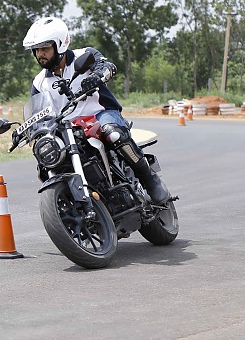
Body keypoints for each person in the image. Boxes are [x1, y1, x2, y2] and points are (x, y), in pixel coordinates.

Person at [22, 16, 170, 204]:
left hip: (100, 114)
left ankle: (149, 179)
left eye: (45, 48)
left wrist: (99, 75)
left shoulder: (84, 55)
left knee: (114, 134)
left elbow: (108, 67)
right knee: (49, 157)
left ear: (60, 44)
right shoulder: (39, 81)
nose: (39, 54)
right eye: (36, 50)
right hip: (68, 126)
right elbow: (37, 111)